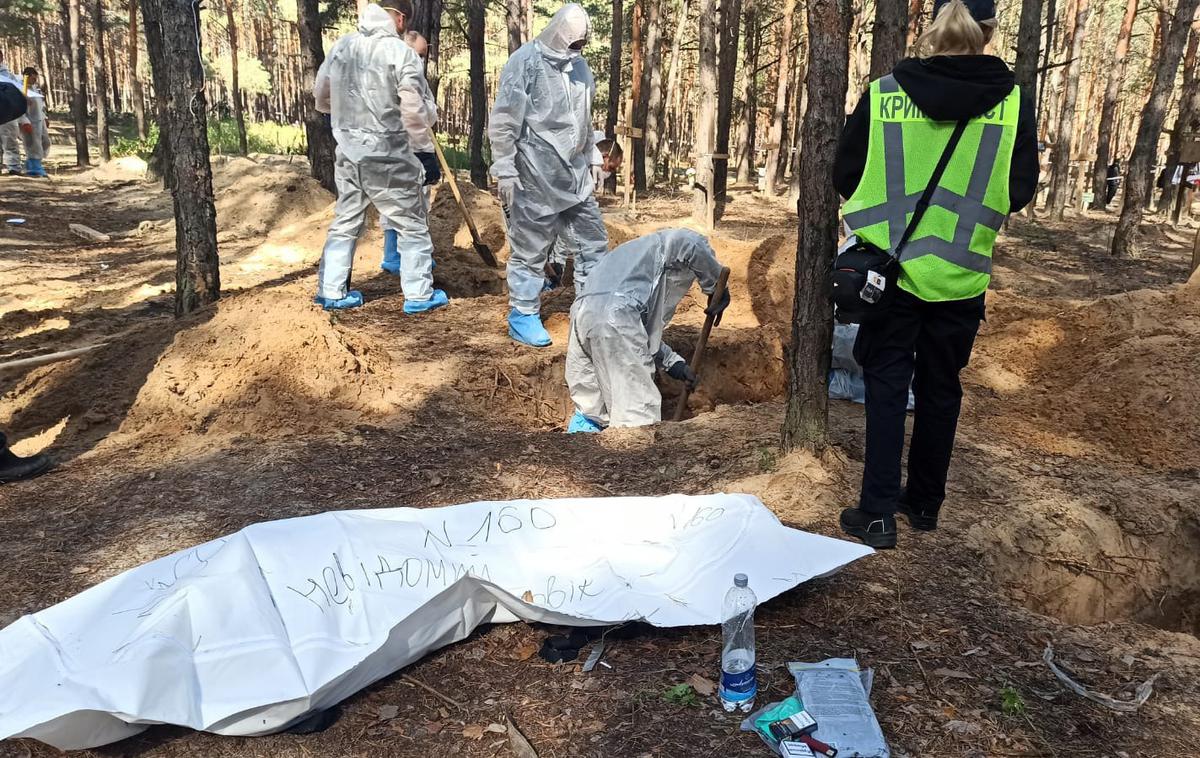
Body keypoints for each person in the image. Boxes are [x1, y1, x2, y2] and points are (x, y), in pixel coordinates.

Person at [832, 0, 1038, 548]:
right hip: (962, 275)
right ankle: (924, 503)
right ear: (989, 32)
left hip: (890, 273)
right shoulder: (1014, 103)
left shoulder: (884, 94)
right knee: (941, 388)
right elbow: (1019, 192)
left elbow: (845, 174)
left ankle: (876, 513)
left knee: (885, 385)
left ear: (934, 28)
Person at [312, 1, 446, 313]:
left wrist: (349, 118)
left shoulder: (342, 46)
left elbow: (321, 95)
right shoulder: (401, 54)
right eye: (405, 18)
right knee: (411, 225)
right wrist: (424, 152)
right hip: (389, 155)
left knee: (345, 221)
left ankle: (332, 291)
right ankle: (419, 295)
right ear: (398, 18)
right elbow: (413, 111)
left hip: (348, 153)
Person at [489, 3, 608, 348]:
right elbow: (505, 121)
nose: (576, 50)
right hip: (534, 175)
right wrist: (506, 170)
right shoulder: (525, 62)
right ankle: (523, 314)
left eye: (581, 44)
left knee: (592, 243)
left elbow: (582, 119)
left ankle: (590, 311)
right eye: (573, 43)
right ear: (558, 33)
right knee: (531, 249)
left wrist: (592, 155)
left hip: (574, 177)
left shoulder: (581, 69)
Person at [564, 229, 730, 432]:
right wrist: (715, 285)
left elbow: (633, 332)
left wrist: (673, 363)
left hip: (581, 315)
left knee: (592, 405)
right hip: (612, 317)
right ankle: (633, 457)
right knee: (636, 415)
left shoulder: (632, 260)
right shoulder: (667, 244)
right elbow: (692, 243)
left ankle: (586, 441)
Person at [381, 30, 442, 275]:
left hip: (404, 144)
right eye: (418, 55)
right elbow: (415, 113)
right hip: (404, 146)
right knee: (403, 201)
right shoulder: (398, 73)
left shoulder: (415, 76)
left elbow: (427, 110)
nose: (421, 60)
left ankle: (410, 254)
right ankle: (397, 255)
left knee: (417, 200)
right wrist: (426, 152)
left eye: (423, 56)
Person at [20, 67, 50, 178]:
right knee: (33, 145)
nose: (35, 80)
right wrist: (24, 122)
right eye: (33, 78)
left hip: (40, 120)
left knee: (45, 142)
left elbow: (40, 105)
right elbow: (19, 108)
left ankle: (35, 164)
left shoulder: (34, 89)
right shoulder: (22, 89)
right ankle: (34, 168)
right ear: (27, 76)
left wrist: (45, 117)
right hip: (30, 121)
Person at [0, 51, 26, 175]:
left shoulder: (8, 76)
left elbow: (18, 94)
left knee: (9, 139)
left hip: (7, 113)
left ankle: (14, 166)